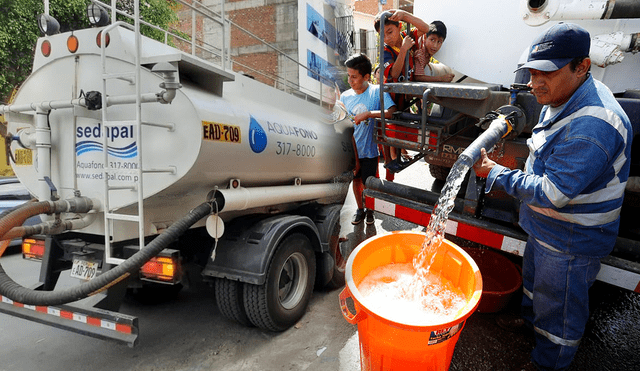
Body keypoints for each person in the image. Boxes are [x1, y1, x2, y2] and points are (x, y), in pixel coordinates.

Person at [474, 23, 632, 370]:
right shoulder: (564, 94)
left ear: (582, 67)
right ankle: (531, 325)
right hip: (546, 230)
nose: (534, 83)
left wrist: (497, 174)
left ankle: (548, 361)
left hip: (571, 240)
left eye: (547, 72)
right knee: (536, 290)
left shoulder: (595, 124)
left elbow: (553, 192)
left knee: (559, 311)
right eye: (532, 72)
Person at [340, 54, 396, 225]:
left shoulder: (375, 92)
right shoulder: (345, 97)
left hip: (369, 150)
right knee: (356, 182)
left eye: (354, 76)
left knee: (369, 183)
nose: (350, 80)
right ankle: (360, 209)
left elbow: (391, 111)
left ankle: (370, 210)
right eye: (348, 76)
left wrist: (369, 114)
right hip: (351, 151)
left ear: (366, 77)